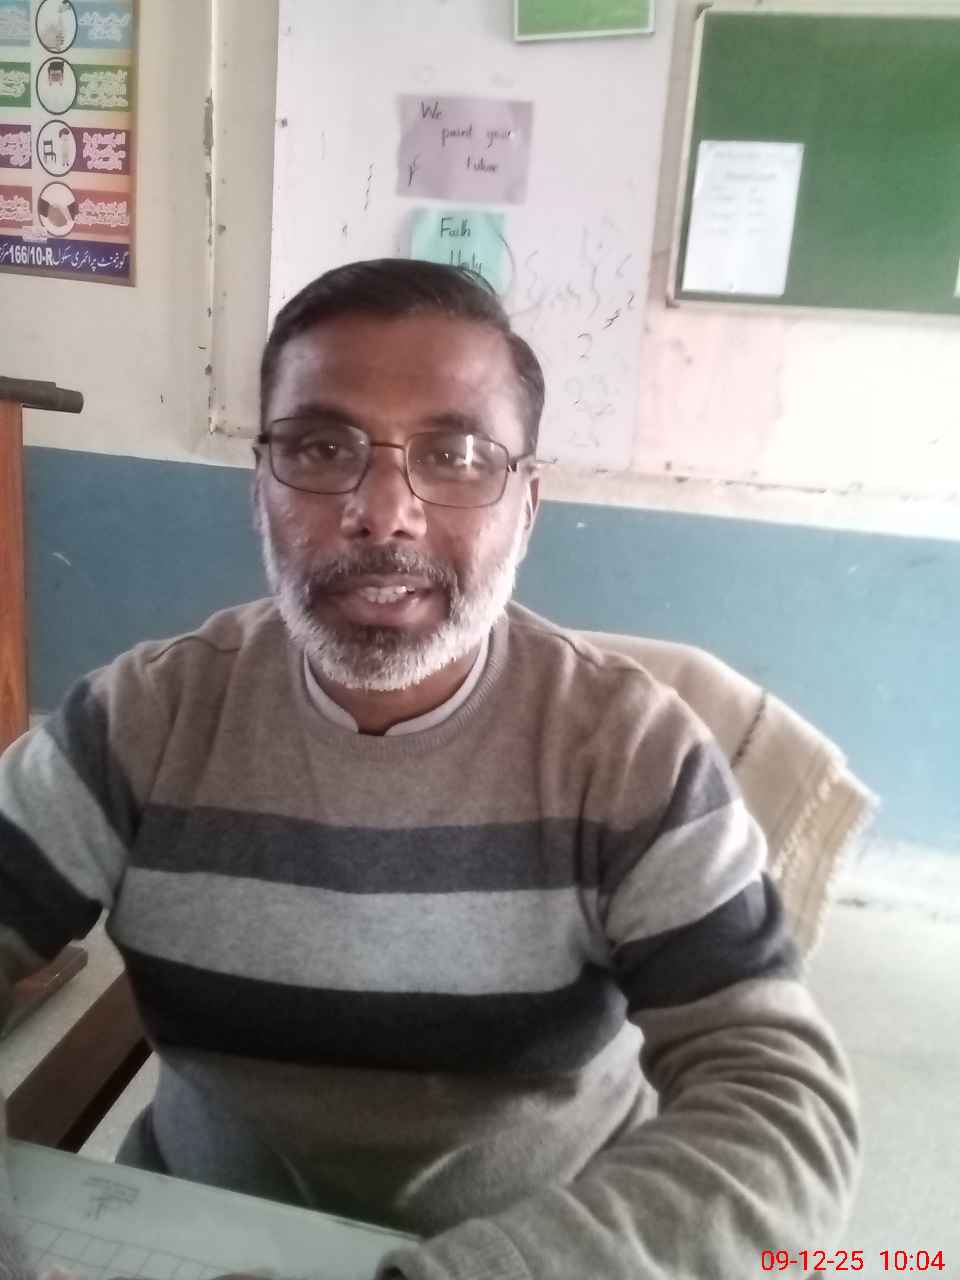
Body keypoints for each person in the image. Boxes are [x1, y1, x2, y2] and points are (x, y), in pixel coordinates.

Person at [0, 260, 858, 1280]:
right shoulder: (140, 722)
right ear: (260, 489)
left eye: (455, 455)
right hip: (192, 1233)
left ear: (527, 506)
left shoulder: (630, 752)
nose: (385, 512)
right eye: (322, 448)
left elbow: (781, 1111)